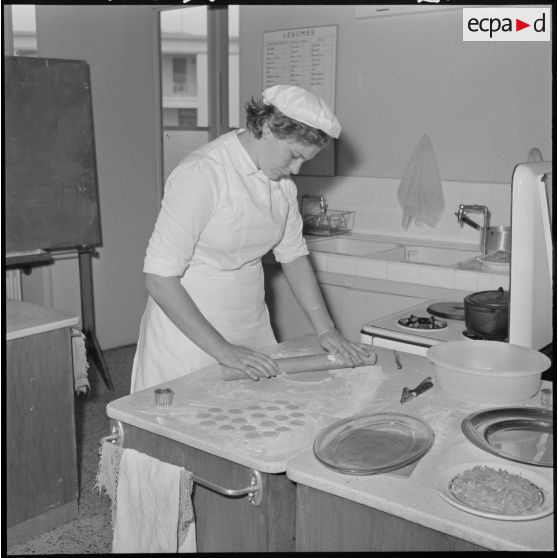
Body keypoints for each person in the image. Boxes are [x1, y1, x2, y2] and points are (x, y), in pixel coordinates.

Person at [130, 84, 369, 393]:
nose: (296, 170)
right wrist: (222, 349)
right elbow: (159, 278)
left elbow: (294, 257)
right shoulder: (202, 173)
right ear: (267, 127)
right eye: (294, 155)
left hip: (248, 319)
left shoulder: (281, 186)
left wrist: (325, 329)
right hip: (191, 330)